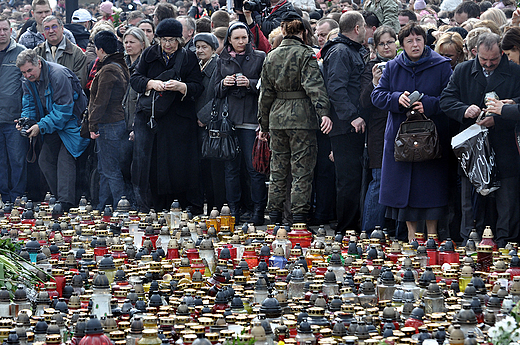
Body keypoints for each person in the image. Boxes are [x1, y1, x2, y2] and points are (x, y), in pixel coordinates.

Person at [371, 22, 453, 241]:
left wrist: (429, 104)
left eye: (418, 40)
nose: (415, 44)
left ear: (425, 42)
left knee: (430, 188)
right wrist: (397, 98)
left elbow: (450, 98)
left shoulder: (442, 65)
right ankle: (411, 238)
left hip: (431, 138)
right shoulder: (393, 66)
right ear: (402, 45)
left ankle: (433, 237)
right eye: (409, 41)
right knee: (405, 192)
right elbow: (377, 96)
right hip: (401, 139)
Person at [440, 32, 520, 247]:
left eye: (493, 59)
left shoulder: (514, 70)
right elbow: (446, 100)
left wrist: (501, 116)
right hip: (472, 145)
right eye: (483, 59)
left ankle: (506, 242)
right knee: (470, 200)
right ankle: (470, 240)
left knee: (507, 200)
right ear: (475, 53)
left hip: (504, 145)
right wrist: (464, 110)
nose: (488, 64)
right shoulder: (463, 69)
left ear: (501, 53)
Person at [258, 12, 332, 224]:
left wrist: (263, 124)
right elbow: (315, 87)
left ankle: (274, 217)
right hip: (301, 119)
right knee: (301, 171)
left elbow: (265, 94)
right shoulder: (306, 54)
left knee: (278, 171)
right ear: (303, 32)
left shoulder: (270, 56)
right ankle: (299, 218)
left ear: (283, 30)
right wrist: (323, 113)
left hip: (276, 118)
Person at [130, 18, 203, 212]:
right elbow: (135, 79)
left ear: (179, 40)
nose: (168, 44)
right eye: (164, 40)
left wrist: (182, 87)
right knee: (153, 165)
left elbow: (198, 86)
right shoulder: (149, 54)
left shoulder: (188, 57)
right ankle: (156, 205)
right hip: (153, 119)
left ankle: (183, 205)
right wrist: (150, 83)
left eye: (172, 40)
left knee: (179, 166)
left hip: (179, 121)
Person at [16, 49, 89, 210]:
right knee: (45, 160)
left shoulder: (58, 75)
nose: (27, 75)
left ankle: (66, 203)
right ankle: (60, 199)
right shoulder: (28, 80)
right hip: (53, 124)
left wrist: (40, 126)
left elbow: (64, 111)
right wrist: (26, 121)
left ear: (39, 63)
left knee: (65, 161)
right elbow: (28, 104)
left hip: (73, 124)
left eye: (29, 70)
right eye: (23, 72)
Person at [214, 22, 267, 225]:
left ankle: (257, 210)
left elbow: (266, 86)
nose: (241, 42)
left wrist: (250, 83)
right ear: (229, 40)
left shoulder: (260, 57)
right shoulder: (222, 58)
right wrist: (224, 83)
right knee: (231, 169)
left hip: (251, 120)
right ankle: (233, 209)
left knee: (254, 169)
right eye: (236, 38)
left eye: (244, 37)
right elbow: (215, 91)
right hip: (229, 122)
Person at [321, 11, 368, 234]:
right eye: (365, 26)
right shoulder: (341, 51)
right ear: (357, 28)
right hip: (345, 126)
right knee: (348, 181)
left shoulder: (347, 49)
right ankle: (346, 228)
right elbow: (336, 89)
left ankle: (350, 225)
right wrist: (352, 116)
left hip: (349, 124)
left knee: (352, 179)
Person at [359, 25, 397, 233]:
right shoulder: (371, 67)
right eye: (381, 44)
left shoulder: (403, 64)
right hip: (378, 131)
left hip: (403, 129)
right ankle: (370, 231)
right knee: (379, 180)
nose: (386, 47)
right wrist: (374, 83)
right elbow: (363, 103)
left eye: (389, 42)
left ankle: (397, 231)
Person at [88, 31, 130, 210]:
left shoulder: (108, 69)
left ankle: (120, 207)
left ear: (101, 50)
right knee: (106, 169)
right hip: (116, 123)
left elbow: (101, 101)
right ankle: (103, 205)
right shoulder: (120, 64)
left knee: (111, 170)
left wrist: (92, 123)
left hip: (109, 124)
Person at [193, 33, 226, 214]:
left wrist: (203, 117)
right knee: (203, 168)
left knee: (214, 169)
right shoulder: (198, 66)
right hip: (198, 123)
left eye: (204, 47)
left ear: (213, 49)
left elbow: (218, 95)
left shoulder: (217, 65)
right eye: (197, 47)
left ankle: (217, 207)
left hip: (212, 124)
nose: (200, 50)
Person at [0, 15, 27, 202]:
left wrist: (25, 115)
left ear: (11, 30)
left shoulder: (21, 52)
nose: (1, 34)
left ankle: (17, 197)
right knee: (1, 162)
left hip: (13, 118)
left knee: (17, 160)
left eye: (4, 30)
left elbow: (28, 86)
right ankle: (4, 197)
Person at [33, 16, 87, 88]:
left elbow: (79, 83)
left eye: (54, 27)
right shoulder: (36, 53)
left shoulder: (77, 53)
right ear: (43, 32)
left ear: (62, 28)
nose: (51, 31)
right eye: (47, 28)